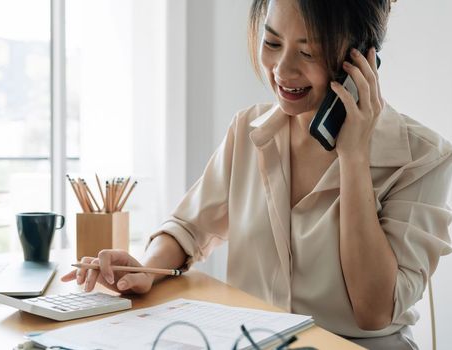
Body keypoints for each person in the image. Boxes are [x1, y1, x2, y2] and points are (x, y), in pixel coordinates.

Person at [62, 0, 452, 348]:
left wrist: (353, 158)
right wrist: (146, 269)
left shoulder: (422, 157)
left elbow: (373, 311)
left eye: (308, 51)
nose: (282, 70)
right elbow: (188, 228)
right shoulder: (248, 130)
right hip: (255, 340)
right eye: (272, 43)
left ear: (361, 62)